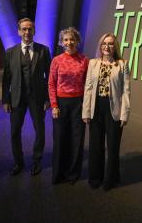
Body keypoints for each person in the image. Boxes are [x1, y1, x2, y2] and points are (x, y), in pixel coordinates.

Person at [2, 18, 51, 177]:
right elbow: (6, 79)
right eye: (24, 29)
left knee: (40, 130)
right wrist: (6, 100)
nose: (27, 32)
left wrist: (48, 98)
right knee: (15, 131)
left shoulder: (43, 50)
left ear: (34, 31)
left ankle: (37, 160)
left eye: (30, 29)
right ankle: (18, 162)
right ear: (18, 31)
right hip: (17, 98)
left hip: (37, 97)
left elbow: (49, 76)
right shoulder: (10, 52)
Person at [82, 33, 130, 191]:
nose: (106, 47)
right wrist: (86, 112)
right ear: (100, 46)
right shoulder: (93, 63)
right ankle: (95, 178)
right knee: (95, 145)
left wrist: (125, 114)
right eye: (104, 43)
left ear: (114, 46)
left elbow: (125, 91)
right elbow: (88, 89)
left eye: (110, 44)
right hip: (96, 107)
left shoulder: (122, 64)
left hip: (114, 109)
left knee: (113, 146)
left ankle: (111, 179)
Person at [48, 27, 89, 184]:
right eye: (66, 39)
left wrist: (86, 106)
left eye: (72, 39)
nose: (69, 42)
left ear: (77, 41)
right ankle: (58, 174)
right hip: (61, 104)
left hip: (78, 103)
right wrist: (54, 106)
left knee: (77, 140)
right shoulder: (56, 60)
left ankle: (73, 174)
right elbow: (51, 84)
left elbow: (88, 84)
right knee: (60, 139)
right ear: (61, 42)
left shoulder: (85, 60)